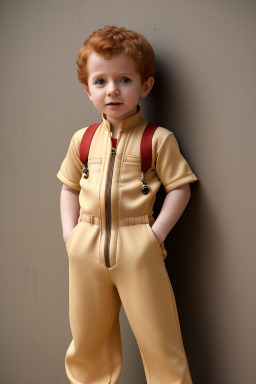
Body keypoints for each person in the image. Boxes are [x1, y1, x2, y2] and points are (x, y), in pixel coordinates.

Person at [57, 25, 198, 384]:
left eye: (124, 79)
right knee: (87, 343)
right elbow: (69, 187)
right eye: (100, 81)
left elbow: (180, 188)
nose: (113, 90)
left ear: (145, 86)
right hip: (86, 246)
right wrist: (71, 236)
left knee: (159, 341)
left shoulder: (158, 139)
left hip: (139, 245)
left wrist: (154, 235)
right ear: (88, 90)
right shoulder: (83, 139)